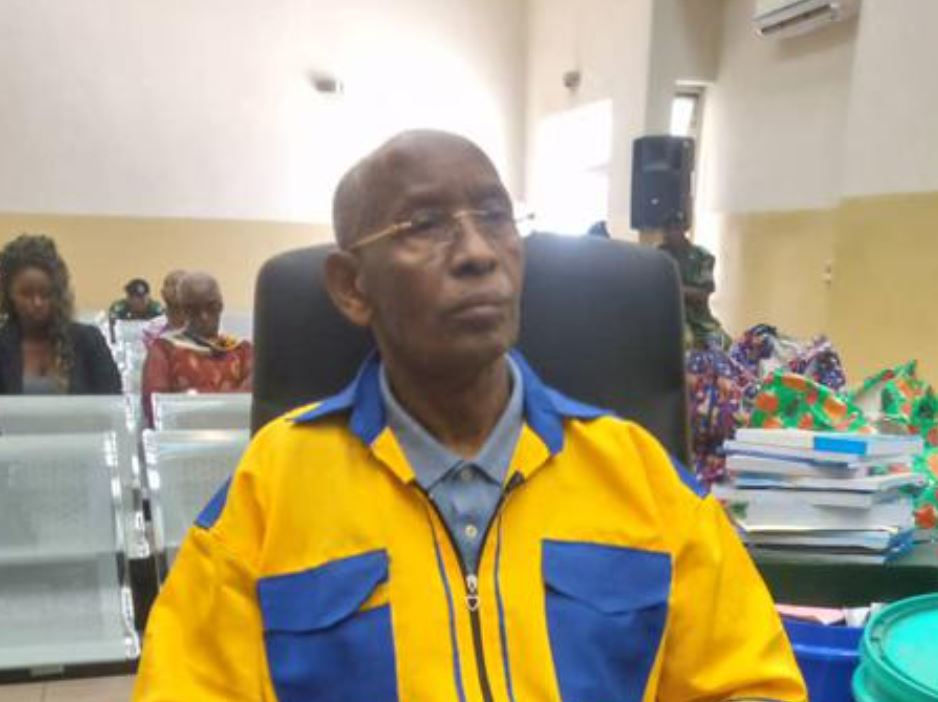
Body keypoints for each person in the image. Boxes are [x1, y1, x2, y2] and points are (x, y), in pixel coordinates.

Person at [134, 132, 805, 702]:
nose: (478, 252)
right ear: (352, 287)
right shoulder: (272, 492)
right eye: (425, 225)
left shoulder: (640, 478)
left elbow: (750, 685)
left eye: (494, 217)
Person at [0, 234, 121, 395]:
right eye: (26, 294)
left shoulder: (88, 341)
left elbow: (111, 402)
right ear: (9, 294)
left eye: (46, 293)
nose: (37, 302)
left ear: (58, 293)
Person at [141, 272, 251, 423]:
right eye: (193, 309)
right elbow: (154, 407)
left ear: (221, 306)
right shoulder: (164, 350)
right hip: (182, 434)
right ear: (183, 310)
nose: (204, 316)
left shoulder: (242, 351)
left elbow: (254, 401)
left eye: (212, 307)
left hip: (236, 433)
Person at [659, 219, 732, 350]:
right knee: (684, 343)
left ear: (684, 229)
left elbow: (703, 295)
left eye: (675, 228)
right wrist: (688, 291)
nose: (669, 234)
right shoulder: (657, 256)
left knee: (723, 342)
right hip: (670, 318)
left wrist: (673, 289)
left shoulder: (702, 256)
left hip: (700, 320)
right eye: (666, 229)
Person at [142, 269, 187, 347]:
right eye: (172, 284)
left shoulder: (201, 329)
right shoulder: (150, 329)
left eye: (183, 285)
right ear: (163, 293)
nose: (177, 289)